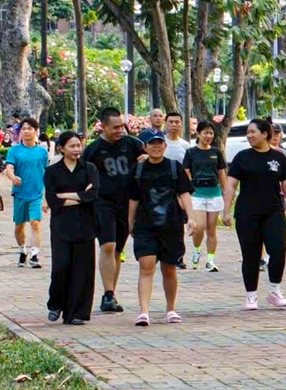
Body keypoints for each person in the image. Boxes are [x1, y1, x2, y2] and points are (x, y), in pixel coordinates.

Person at [226, 116, 286, 309]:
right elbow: (231, 186)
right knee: (250, 254)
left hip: (273, 211)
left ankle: (275, 290)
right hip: (247, 213)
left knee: (278, 250)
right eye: (248, 132)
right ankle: (251, 296)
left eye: (253, 132)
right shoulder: (242, 157)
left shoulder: (279, 158)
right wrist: (225, 211)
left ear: (265, 134)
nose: (249, 135)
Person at [127, 128, 192, 325]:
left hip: (171, 225)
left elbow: (184, 194)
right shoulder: (137, 170)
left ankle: (170, 309)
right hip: (145, 225)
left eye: (159, 142)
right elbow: (133, 199)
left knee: (169, 268)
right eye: (151, 143)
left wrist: (191, 217)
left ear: (164, 145)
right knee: (146, 266)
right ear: (145, 147)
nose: (156, 146)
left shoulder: (175, 168)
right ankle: (144, 311)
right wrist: (130, 222)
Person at [86, 107, 143, 314]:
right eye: (115, 127)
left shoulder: (132, 144)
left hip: (127, 203)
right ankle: (107, 293)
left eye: (122, 126)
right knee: (107, 246)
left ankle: (111, 293)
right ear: (103, 126)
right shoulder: (93, 149)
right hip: (103, 202)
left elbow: (150, 159)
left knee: (118, 250)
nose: (120, 130)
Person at [45, 131, 99, 323]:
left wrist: (64, 196)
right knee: (61, 266)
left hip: (85, 225)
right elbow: (52, 200)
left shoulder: (89, 168)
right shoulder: (52, 172)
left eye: (79, 145)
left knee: (82, 270)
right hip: (61, 225)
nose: (77, 149)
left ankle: (76, 313)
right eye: (72, 146)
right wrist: (78, 196)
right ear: (61, 148)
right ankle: (56, 303)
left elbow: (92, 195)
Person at [184, 116, 227, 270]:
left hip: (214, 193)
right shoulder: (191, 152)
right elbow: (186, 173)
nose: (208, 136)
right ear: (198, 134)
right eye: (205, 133)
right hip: (197, 193)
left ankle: (210, 260)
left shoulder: (216, 152)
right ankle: (196, 251)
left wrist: (226, 192)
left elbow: (222, 173)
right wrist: (186, 193)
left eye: (211, 133)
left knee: (211, 228)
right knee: (199, 226)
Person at [6, 117, 49, 267]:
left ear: (36, 131)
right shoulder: (14, 150)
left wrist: (46, 197)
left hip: (36, 194)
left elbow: (48, 174)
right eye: (23, 129)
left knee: (35, 223)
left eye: (30, 128)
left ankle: (35, 255)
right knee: (19, 226)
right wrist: (12, 177)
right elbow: (9, 168)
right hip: (19, 193)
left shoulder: (42, 152)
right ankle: (22, 250)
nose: (26, 131)